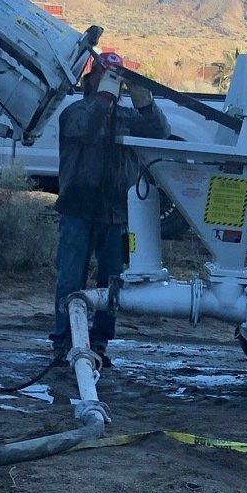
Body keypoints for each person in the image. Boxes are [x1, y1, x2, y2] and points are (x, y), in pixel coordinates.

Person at [50, 53, 168, 367]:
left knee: (111, 282)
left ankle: (100, 342)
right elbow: (86, 130)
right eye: (106, 76)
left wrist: (146, 104)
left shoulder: (129, 118)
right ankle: (63, 340)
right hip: (78, 209)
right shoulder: (73, 113)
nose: (112, 85)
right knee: (70, 278)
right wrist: (103, 97)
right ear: (92, 79)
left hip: (117, 213)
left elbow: (161, 134)